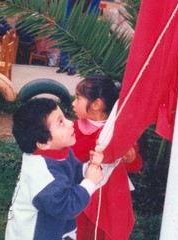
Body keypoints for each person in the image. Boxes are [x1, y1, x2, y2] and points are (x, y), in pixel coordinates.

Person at [5, 98, 106, 240]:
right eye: (60, 123)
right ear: (42, 143)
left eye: (64, 118)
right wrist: (89, 182)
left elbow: (75, 173)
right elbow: (66, 206)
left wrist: (89, 168)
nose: (71, 123)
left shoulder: (61, 152)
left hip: (53, 227)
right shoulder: (41, 174)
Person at [71, 75, 143, 239]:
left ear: (96, 104)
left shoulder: (118, 132)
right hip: (84, 192)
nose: (73, 103)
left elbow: (135, 165)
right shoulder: (73, 129)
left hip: (111, 198)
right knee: (81, 231)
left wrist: (131, 159)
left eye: (78, 98)